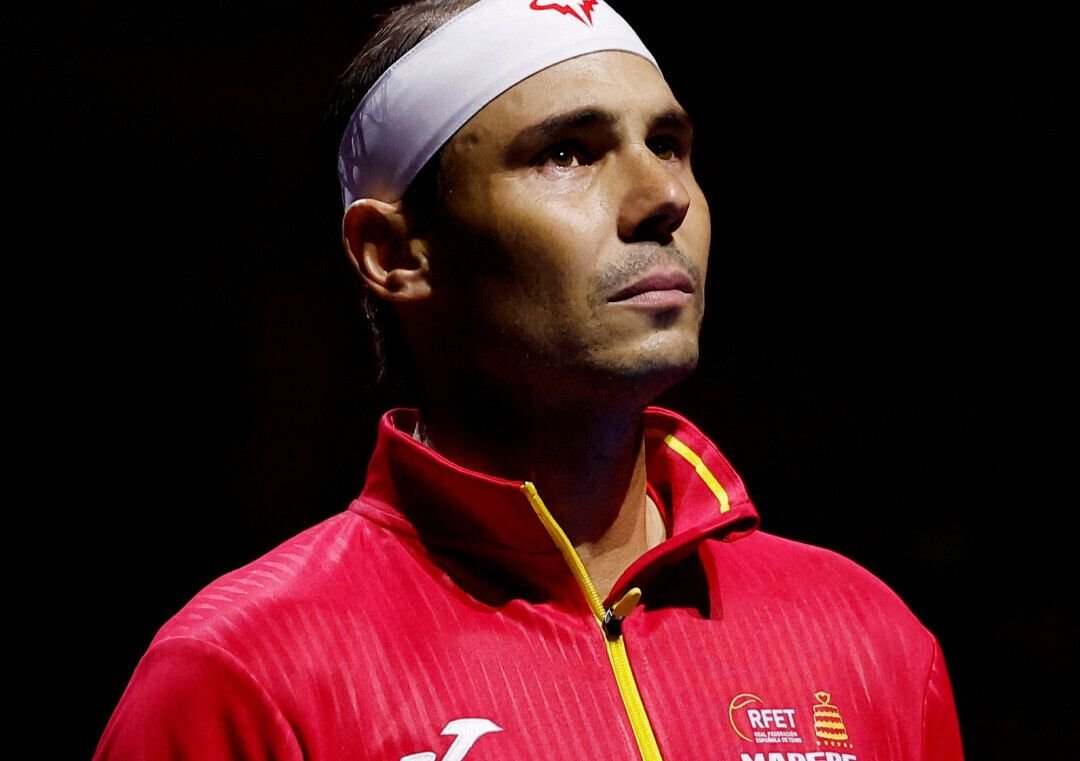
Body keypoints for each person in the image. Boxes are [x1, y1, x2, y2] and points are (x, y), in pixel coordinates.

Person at [94, 0, 965, 759]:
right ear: (395, 252)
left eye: (668, 143)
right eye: (568, 154)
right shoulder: (244, 672)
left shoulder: (870, 638)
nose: (661, 196)